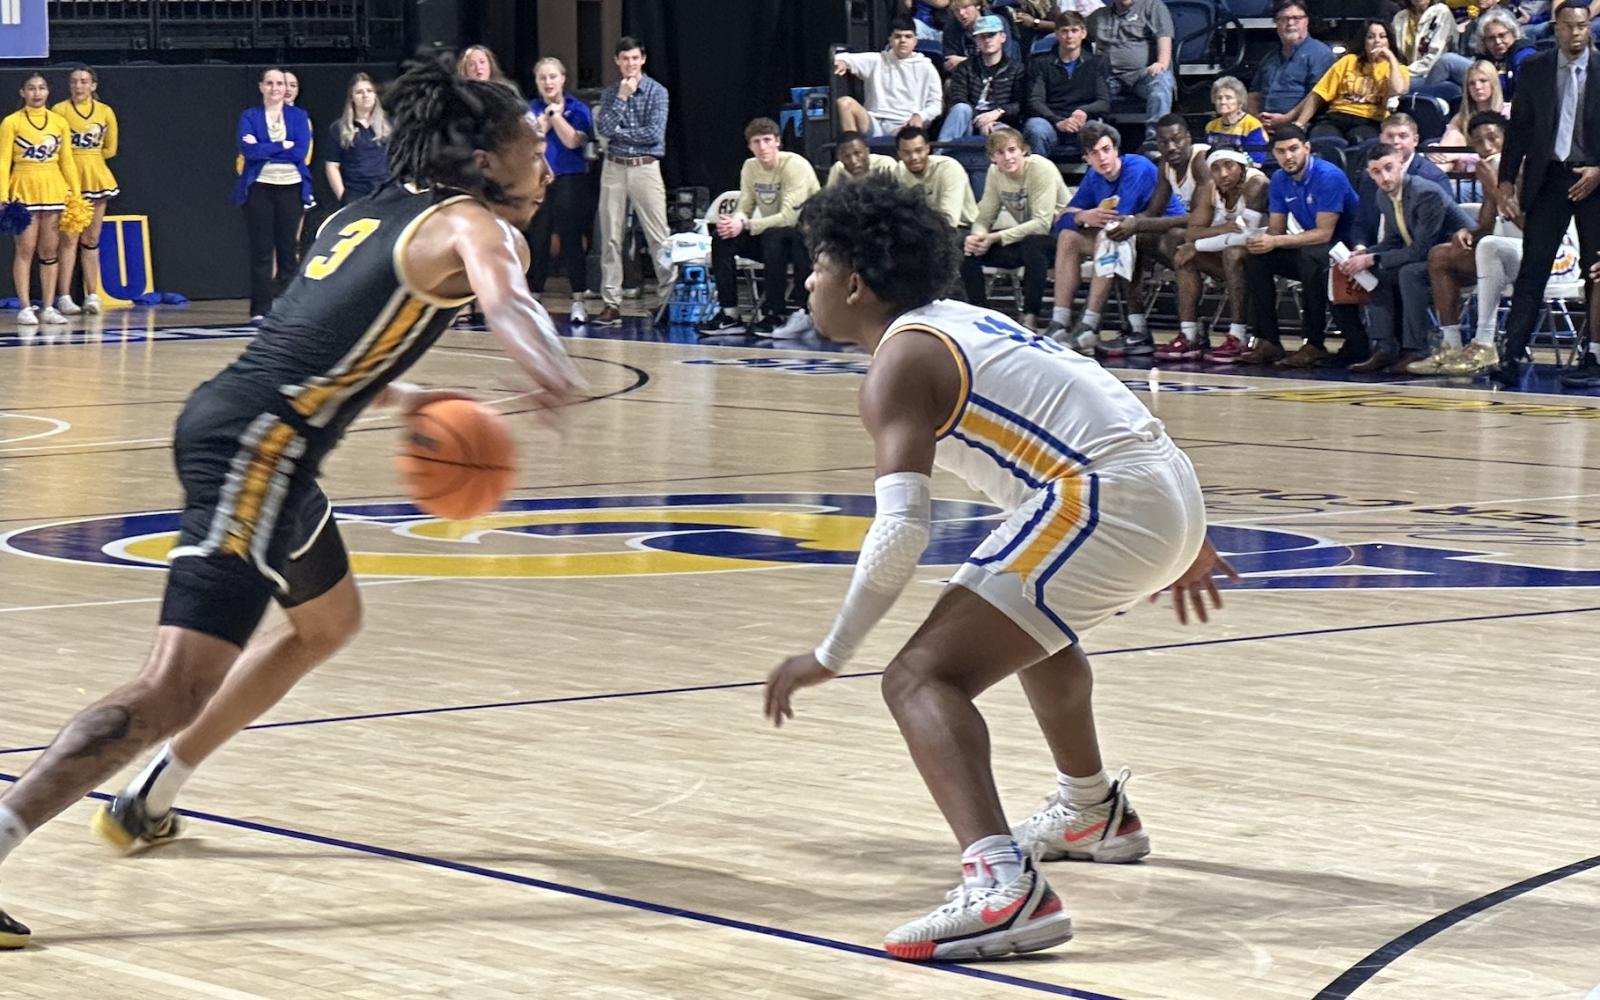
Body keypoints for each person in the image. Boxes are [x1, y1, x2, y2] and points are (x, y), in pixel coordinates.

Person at [0, 55, 583, 951]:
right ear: (481, 162)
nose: (543, 163)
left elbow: (303, 341)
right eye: (530, 147)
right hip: (256, 450)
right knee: (173, 685)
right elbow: (509, 301)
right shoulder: (480, 225)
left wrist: (404, 399)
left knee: (327, 623)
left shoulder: (364, 212)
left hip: (254, 428)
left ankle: (150, 796)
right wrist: (548, 365)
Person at [761, 173, 1235, 964]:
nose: (808, 281)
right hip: (1158, 476)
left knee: (917, 678)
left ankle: (1003, 886)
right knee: (1028, 628)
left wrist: (827, 655)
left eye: (816, 265)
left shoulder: (899, 363)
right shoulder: (959, 321)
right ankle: (1092, 812)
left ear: (853, 280)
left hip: (1109, 494)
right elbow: (1088, 395)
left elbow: (902, 532)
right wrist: (1183, 528)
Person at [1491, 0, 1600, 387]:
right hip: (1549, 178)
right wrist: (1506, 182)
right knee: (1532, 270)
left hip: (1594, 181)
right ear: (1555, 27)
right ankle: (1511, 353)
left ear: (1590, 27)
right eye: (1569, 26)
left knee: (1595, 271)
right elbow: (1518, 129)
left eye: (1583, 26)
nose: (1576, 33)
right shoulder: (1535, 68)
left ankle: (1593, 355)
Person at [1335, 142, 1474, 373]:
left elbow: (1421, 249)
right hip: (1427, 259)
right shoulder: (1382, 196)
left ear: (1401, 164)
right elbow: (1393, 241)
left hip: (1459, 263)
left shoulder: (1426, 193)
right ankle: (1384, 348)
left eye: (1389, 168)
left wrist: (1373, 258)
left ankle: (1417, 350)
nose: (1385, 177)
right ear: (1370, 174)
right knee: (1374, 270)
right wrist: (1365, 254)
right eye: (1377, 172)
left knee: (1409, 273)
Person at [1044, 121, 1181, 355]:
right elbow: (1061, 222)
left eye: (1106, 150)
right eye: (1094, 153)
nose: (1102, 158)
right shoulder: (1093, 176)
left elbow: (1119, 218)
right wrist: (1082, 216)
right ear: (1086, 158)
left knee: (1109, 236)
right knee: (1069, 237)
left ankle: (1089, 324)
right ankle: (1060, 322)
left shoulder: (1136, 166)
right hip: (1129, 238)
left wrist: (1080, 216)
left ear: (1116, 150)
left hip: (1167, 236)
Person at [1239, 125, 1360, 366]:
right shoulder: (1280, 180)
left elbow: (1325, 234)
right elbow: (1276, 230)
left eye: (1294, 149)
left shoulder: (1328, 175)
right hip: (1315, 249)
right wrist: (1263, 241)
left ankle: (1314, 343)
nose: (1288, 157)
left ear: (1307, 148)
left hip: (1348, 248)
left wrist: (1274, 240)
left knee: (1309, 257)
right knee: (1256, 259)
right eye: (1281, 151)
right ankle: (1268, 341)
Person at [1413, 111, 1516, 375]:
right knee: (1441, 254)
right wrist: (1468, 233)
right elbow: (1485, 226)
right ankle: (1451, 345)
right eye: (1479, 142)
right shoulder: (1491, 170)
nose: (1487, 147)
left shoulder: (1524, 166)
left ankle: (1485, 343)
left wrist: (1492, 186)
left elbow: (1528, 225)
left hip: (1546, 255)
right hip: (1500, 253)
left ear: (1509, 139)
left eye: (1493, 139)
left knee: (1490, 246)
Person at [697, 117, 821, 338]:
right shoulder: (750, 166)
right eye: (756, 142)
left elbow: (788, 218)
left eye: (767, 140)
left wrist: (745, 223)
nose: (762, 147)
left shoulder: (795, 165)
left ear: (778, 142)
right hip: (770, 237)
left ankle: (776, 312)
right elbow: (744, 206)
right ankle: (730, 314)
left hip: (803, 241)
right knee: (722, 237)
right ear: (749, 146)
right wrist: (735, 222)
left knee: (774, 235)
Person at [1157, 148, 1267, 361]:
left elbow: (1247, 235)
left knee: (1231, 253)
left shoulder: (1257, 184)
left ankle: (1238, 337)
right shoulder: (1210, 188)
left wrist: (1197, 245)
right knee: (1183, 251)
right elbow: (1192, 232)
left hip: (1266, 255)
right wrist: (1221, 228)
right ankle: (1189, 336)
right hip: (1229, 251)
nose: (1223, 174)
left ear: (1242, 167)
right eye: (1215, 168)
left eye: (1229, 166)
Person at [594, 36, 673, 327]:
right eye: (624, 59)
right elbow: (602, 129)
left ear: (643, 59)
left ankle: (668, 299)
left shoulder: (657, 92)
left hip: (645, 167)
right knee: (611, 237)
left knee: (658, 235)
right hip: (614, 168)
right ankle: (611, 302)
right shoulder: (611, 93)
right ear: (617, 61)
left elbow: (653, 135)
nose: (630, 64)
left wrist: (618, 134)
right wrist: (623, 98)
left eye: (635, 58)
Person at [960, 127, 1072, 328]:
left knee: (1033, 243)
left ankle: (1030, 317)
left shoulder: (1041, 168)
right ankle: (980, 313)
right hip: (1026, 239)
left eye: (1012, 150)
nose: (1007, 157)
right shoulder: (995, 173)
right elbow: (984, 216)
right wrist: (977, 237)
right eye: (1000, 153)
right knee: (965, 246)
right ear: (992, 157)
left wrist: (994, 238)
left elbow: (1041, 224)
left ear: (1024, 151)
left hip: (1061, 240)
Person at [235, 67, 314, 325]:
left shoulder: (298, 116)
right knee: (261, 250)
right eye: (269, 83)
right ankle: (260, 308)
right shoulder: (250, 116)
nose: (275, 88)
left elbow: (299, 151)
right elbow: (249, 149)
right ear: (261, 87)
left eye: (279, 83)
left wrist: (267, 148)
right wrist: (281, 146)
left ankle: (288, 307)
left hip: (290, 186)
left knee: (288, 248)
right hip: (259, 187)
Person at [0, 73, 78, 326]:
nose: (37, 93)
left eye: (41, 88)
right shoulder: (11, 122)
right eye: (31, 88)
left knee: (49, 251)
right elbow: (3, 161)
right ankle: (24, 306)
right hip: (23, 188)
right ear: (22, 93)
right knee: (25, 249)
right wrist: (3, 196)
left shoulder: (59, 122)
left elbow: (67, 159)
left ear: (48, 92)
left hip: (54, 189)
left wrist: (75, 193)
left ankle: (48, 307)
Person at [528, 57, 596, 325]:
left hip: (570, 179)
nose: (548, 82)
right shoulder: (531, 108)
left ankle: (578, 299)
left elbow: (571, 141)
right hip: (539, 180)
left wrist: (555, 115)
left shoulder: (578, 108)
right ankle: (534, 297)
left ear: (563, 79)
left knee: (571, 239)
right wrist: (545, 117)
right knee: (539, 238)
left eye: (552, 77)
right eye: (542, 78)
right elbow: (532, 140)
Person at [52, 65, 117, 318]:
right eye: (74, 81)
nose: (78, 86)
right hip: (68, 179)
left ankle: (92, 294)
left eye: (83, 81)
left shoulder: (105, 112)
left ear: (93, 86)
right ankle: (65, 296)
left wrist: (90, 159)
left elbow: (110, 148)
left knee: (91, 239)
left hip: (97, 176)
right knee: (68, 239)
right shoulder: (60, 110)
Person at [1288, 20, 1411, 145]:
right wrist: (1299, 124)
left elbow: (1399, 90)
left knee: (1361, 143)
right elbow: (1318, 95)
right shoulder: (1348, 61)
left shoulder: (1399, 69)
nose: (1377, 41)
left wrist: (1391, 59)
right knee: (1323, 141)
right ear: (1364, 42)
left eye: (1382, 36)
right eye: (1370, 37)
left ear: (1390, 41)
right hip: (1337, 116)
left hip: (1370, 120)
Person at [834, 17, 944, 139]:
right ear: (890, 40)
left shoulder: (927, 67)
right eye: (897, 36)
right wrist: (843, 62)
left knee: (911, 134)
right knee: (844, 103)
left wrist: (920, 116)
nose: (902, 40)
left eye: (908, 36)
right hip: (873, 121)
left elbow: (936, 104)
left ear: (915, 41)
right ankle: (852, 148)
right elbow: (840, 57)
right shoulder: (877, 59)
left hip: (903, 125)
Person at [1022, 14, 1111, 157]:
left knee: (1096, 129)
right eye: (1064, 31)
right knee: (1034, 127)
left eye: (1074, 31)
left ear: (1083, 33)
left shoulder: (1097, 63)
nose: (1069, 36)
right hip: (1051, 122)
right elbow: (1034, 101)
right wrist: (1058, 121)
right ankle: (1040, 175)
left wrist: (1084, 110)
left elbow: (1104, 102)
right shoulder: (1040, 63)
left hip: (1083, 123)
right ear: (1056, 34)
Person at [1086, 0, 1176, 134]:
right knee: (1082, 83)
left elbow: (1164, 38)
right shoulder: (1099, 15)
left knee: (1162, 81)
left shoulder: (1153, 7)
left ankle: (1155, 141)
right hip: (1109, 77)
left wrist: (1162, 63)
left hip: (1142, 75)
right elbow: (1074, 30)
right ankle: (1093, 141)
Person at [939, 14, 1028, 141]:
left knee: (1003, 135)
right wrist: (981, 119)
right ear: (976, 40)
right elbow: (958, 98)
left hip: (1000, 121)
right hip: (969, 120)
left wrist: (997, 113)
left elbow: (1020, 104)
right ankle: (941, 155)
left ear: (1003, 37)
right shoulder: (964, 67)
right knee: (960, 109)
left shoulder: (1016, 68)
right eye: (982, 36)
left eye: (991, 35)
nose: (987, 40)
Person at [1251, 0, 1336, 131]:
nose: (1290, 23)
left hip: (1302, 127)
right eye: (1284, 19)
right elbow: (1254, 95)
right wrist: (1255, 121)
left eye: (1296, 18)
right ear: (1276, 23)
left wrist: (1287, 119)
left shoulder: (1321, 54)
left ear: (1306, 21)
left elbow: (1316, 98)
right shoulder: (1269, 58)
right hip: (1263, 127)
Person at [1429, 60, 1508, 183]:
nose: (1477, 87)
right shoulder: (1462, 117)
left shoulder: (1508, 113)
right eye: (1472, 83)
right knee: (1454, 137)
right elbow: (1446, 147)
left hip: (1494, 177)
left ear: (1493, 83)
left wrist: (1457, 155)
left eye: (1483, 81)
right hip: (1464, 174)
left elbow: (1494, 152)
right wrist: (1434, 151)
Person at [894, 125, 979, 230]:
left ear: (927, 149)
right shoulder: (899, 171)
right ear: (899, 154)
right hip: (920, 230)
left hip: (962, 228)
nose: (914, 157)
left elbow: (949, 221)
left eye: (918, 151)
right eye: (907, 152)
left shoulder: (949, 168)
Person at [324, 73, 390, 206]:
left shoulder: (389, 124)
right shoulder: (339, 128)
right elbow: (332, 166)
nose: (365, 95)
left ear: (375, 95)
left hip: (387, 192)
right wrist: (343, 196)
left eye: (369, 91)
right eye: (359, 92)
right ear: (352, 98)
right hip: (356, 194)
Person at [1394, 0, 1471, 88]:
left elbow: (1434, 58)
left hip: (1436, 75)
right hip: (1407, 74)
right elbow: (1396, 54)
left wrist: (1402, 73)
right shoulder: (1400, 17)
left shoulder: (1442, 12)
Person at [1476, 8, 1538, 101]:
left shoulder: (1524, 55)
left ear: (1513, 33)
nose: (1498, 42)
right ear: (1484, 41)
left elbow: (1527, 92)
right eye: (1491, 38)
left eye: (1502, 35)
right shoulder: (1484, 59)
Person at [1205, 76, 1268, 164]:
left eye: (1228, 98)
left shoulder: (1252, 125)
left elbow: (1256, 160)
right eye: (1219, 98)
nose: (1223, 102)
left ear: (1240, 101)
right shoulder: (1211, 127)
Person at [827, 131, 899, 185]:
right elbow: (829, 200)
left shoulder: (885, 165)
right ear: (839, 158)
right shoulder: (838, 168)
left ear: (867, 151)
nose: (853, 161)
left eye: (857, 153)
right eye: (846, 156)